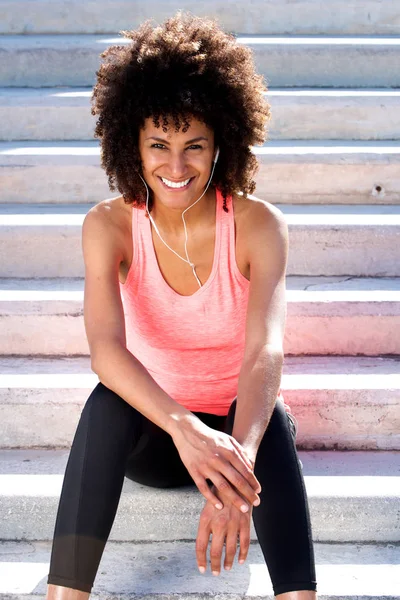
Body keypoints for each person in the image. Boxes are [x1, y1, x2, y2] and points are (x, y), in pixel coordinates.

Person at [46, 11, 317, 600]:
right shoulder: (110, 225)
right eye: (158, 145)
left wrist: (236, 467)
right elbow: (106, 352)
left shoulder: (258, 224)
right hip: (155, 438)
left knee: (274, 425)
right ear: (132, 145)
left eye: (194, 145)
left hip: (237, 435)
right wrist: (184, 428)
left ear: (222, 142)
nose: (176, 166)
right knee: (105, 405)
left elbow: (265, 349)